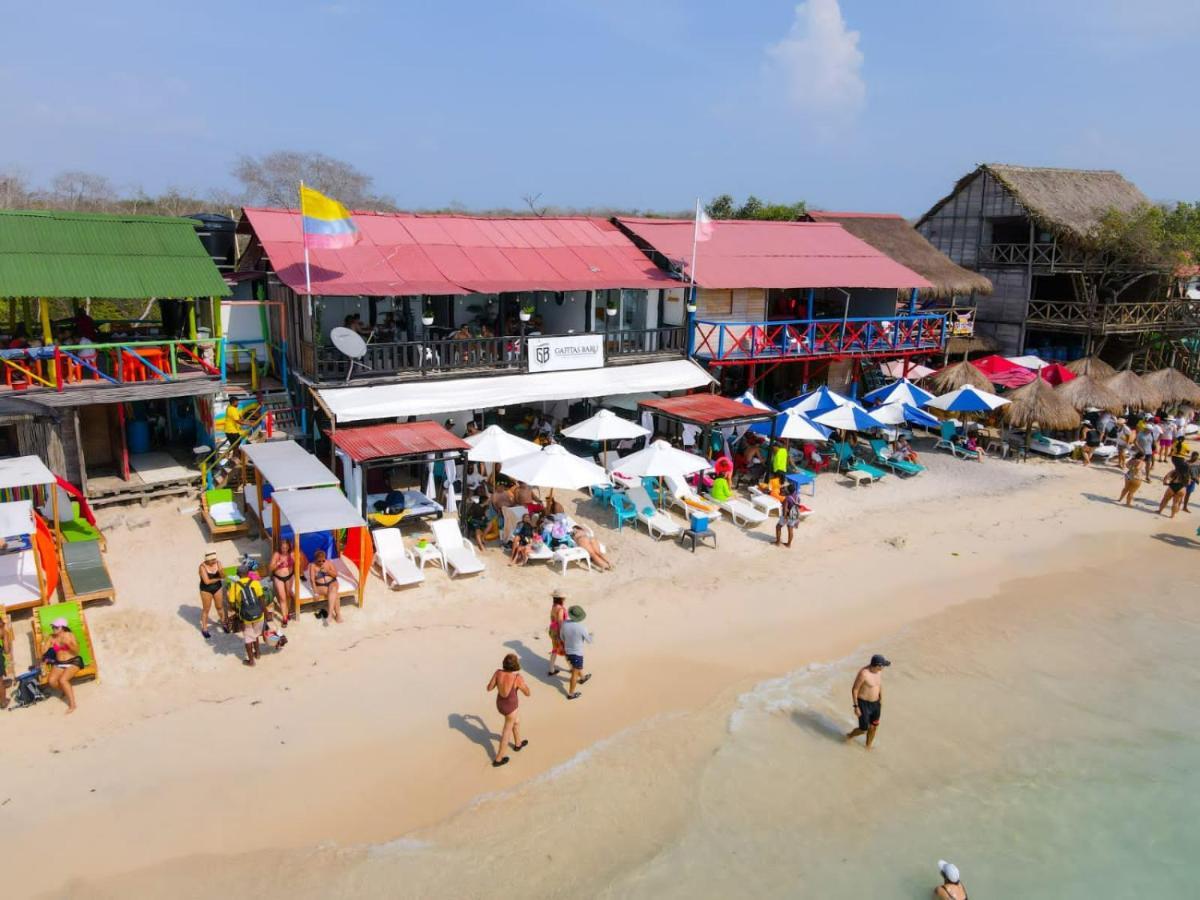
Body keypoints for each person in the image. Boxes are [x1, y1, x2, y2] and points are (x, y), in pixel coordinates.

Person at [486, 653, 530, 768]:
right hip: (511, 708)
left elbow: (489, 688)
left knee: (516, 721)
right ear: (515, 665)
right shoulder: (517, 678)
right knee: (506, 732)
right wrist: (523, 684)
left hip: (500, 704)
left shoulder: (498, 672)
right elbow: (528, 693)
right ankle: (498, 759)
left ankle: (518, 744)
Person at [845, 654, 890, 749]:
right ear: (877, 665)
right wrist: (856, 707)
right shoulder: (864, 674)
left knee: (874, 727)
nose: (884, 667)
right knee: (863, 729)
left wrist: (881, 698)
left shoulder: (879, 671)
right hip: (863, 704)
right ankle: (849, 736)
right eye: (883, 665)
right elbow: (855, 690)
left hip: (876, 704)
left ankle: (868, 747)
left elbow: (878, 685)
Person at [228, 563, 268, 666]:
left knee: (248, 638)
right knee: (256, 634)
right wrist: (265, 612)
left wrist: (238, 611)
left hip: (246, 617)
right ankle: (258, 653)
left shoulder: (235, 586)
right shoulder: (255, 583)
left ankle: (251, 661)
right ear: (247, 574)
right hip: (259, 615)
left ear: (238, 574)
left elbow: (232, 604)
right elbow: (262, 599)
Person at [44, 617, 83, 713]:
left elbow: (77, 651)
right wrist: (45, 644)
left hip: (73, 661)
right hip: (60, 663)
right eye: (53, 627)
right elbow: (43, 652)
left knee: (62, 680)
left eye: (56, 627)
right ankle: (66, 691)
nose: (54, 629)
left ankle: (73, 705)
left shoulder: (69, 635)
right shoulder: (51, 637)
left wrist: (69, 644)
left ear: (62, 627)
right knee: (51, 681)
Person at [559, 605, 593, 700]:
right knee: (574, 673)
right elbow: (589, 641)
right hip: (577, 653)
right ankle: (571, 694)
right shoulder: (582, 628)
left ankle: (582, 678)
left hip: (568, 651)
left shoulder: (564, 624)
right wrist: (591, 635)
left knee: (575, 667)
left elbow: (562, 637)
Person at [197, 551, 228, 640]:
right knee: (206, 609)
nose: (215, 561)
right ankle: (204, 628)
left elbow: (224, 575)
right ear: (208, 560)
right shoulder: (202, 567)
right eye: (213, 560)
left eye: (215, 559)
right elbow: (206, 582)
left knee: (220, 607)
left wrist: (222, 572)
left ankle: (223, 623)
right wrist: (219, 578)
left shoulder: (218, 563)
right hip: (206, 590)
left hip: (217, 588)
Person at [306, 549, 343, 623]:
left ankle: (330, 615)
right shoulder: (312, 566)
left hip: (332, 582)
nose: (321, 562)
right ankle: (338, 615)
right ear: (315, 560)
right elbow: (312, 580)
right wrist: (315, 593)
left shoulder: (329, 563)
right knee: (334, 594)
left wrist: (327, 571)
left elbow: (336, 574)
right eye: (319, 561)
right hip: (320, 585)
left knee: (333, 589)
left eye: (323, 560)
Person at [270, 539, 295, 626]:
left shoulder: (291, 554)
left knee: (288, 595)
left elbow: (299, 562)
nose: (284, 549)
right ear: (280, 547)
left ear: (289, 547)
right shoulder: (277, 555)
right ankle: (284, 618)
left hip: (289, 576)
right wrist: (278, 563)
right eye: (283, 548)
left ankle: (287, 613)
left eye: (286, 548)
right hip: (278, 577)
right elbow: (271, 568)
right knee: (282, 597)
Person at [775, 482, 805, 548]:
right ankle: (789, 544)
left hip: (787, 515)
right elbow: (797, 505)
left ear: (788, 490)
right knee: (790, 529)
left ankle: (777, 542)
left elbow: (785, 509)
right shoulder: (797, 497)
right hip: (794, 516)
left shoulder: (787, 498)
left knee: (778, 527)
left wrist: (785, 517)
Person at [547, 589, 568, 675]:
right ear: (561, 599)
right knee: (567, 649)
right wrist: (562, 634)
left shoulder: (554, 606)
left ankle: (551, 669)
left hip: (552, 630)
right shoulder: (561, 609)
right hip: (558, 631)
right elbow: (560, 622)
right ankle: (573, 668)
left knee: (554, 650)